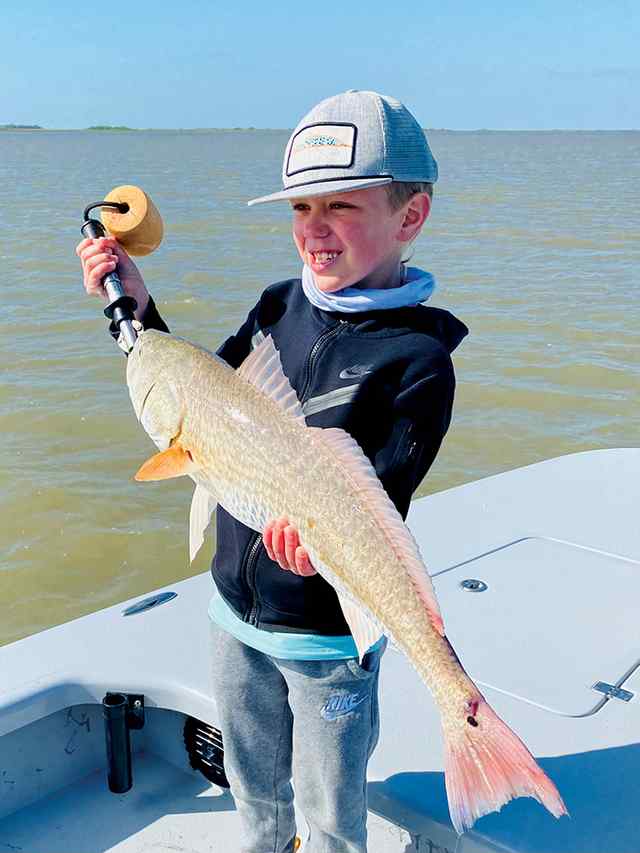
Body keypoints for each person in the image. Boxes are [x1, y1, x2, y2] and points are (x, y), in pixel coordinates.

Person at [76, 90, 468, 853]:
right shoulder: (275, 305)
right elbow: (205, 397)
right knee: (253, 787)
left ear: (410, 217)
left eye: (340, 207)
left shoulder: (418, 362)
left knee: (329, 810)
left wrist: (311, 546)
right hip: (235, 616)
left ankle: (458, 720)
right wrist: (138, 305)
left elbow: (374, 506)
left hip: (328, 643)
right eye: (300, 208)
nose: (313, 230)